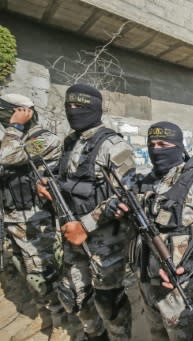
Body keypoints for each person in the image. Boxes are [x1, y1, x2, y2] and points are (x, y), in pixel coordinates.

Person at [37, 84, 136, 341]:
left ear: (94, 108)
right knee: (75, 295)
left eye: (79, 107)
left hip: (105, 241)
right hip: (70, 234)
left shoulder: (114, 145)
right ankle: (94, 335)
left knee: (109, 301)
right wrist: (48, 189)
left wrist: (85, 225)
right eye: (69, 106)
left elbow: (126, 197)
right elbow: (63, 181)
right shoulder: (70, 142)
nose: (73, 111)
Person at [130, 121, 193, 340]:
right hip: (147, 284)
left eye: (163, 143)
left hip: (180, 288)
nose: (156, 149)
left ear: (177, 146)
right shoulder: (144, 183)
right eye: (152, 144)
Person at [0, 93, 70, 340]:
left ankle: (62, 322)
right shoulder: (13, 139)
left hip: (36, 220)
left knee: (43, 273)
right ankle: (46, 316)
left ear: (24, 112)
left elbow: (7, 156)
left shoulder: (44, 140)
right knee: (26, 271)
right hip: (12, 216)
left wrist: (15, 126)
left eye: (10, 113)